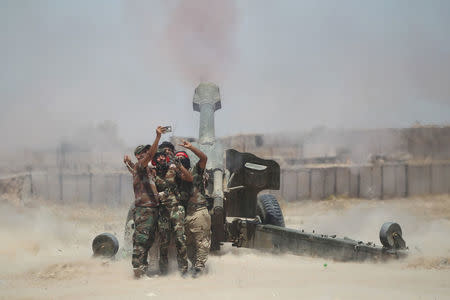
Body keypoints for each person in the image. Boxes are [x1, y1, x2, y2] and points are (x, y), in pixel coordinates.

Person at [123, 126, 164, 278]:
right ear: (140, 156)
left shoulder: (143, 170)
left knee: (147, 241)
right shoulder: (141, 166)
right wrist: (158, 137)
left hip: (151, 209)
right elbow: (151, 155)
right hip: (144, 210)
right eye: (145, 152)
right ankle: (138, 272)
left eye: (148, 151)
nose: (149, 154)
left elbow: (132, 168)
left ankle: (142, 271)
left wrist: (127, 163)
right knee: (141, 241)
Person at [154, 148, 193, 275]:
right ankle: (164, 271)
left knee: (180, 239)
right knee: (164, 242)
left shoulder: (173, 169)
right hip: (163, 211)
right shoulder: (154, 173)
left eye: (163, 156)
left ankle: (183, 270)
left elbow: (188, 178)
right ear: (155, 160)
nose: (161, 158)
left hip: (176, 209)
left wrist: (179, 166)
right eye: (158, 156)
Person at [177, 140, 211, 277]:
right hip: (187, 214)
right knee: (189, 245)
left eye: (182, 159)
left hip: (199, 211)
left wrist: (191, 147)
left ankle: (199, 268)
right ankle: (194, 267)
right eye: (177, 159)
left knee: (202, 242)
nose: (179, 161)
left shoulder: (195, 171)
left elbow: (204, 158)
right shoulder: (176, 177)